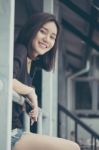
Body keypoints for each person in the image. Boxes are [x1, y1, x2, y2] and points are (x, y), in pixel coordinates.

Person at [12, 12, 80, 150]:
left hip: (16, 130)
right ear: (31, 30)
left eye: (52, 37)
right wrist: (31, 92)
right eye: (43, 31)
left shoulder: (32, 64)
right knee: (72, 148)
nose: (47, 39)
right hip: (8, 132)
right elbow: (5, 80)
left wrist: (32, 104)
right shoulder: (20, 50)